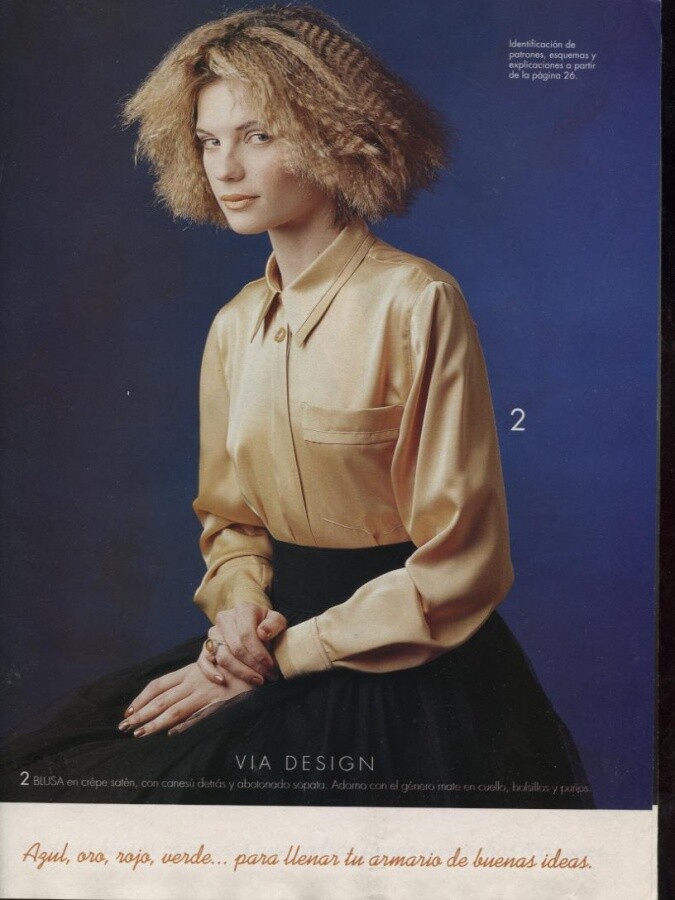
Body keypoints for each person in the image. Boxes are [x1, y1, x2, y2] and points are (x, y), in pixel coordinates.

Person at [0, 4, 593, 808]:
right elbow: (231, 522)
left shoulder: (417, 302)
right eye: (208, 141)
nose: (224, 168)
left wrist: (276, 660)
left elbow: (463, 564)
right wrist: (237, 617)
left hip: (404, 667)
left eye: (257, 136)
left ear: (333, 136)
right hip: (260, 646)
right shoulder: (234, 324)